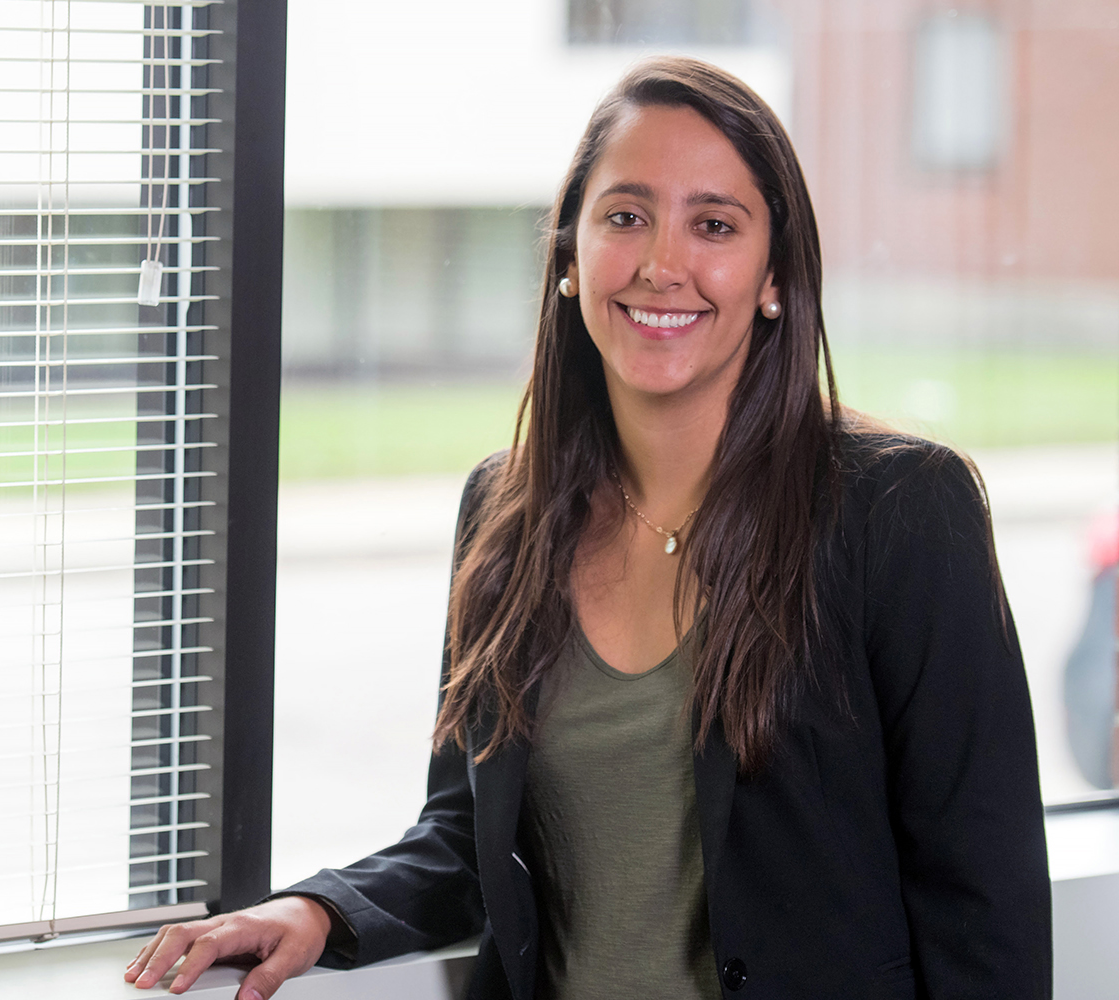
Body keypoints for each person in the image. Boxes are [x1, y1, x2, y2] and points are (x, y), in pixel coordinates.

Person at [124, 56, 1051, 1000]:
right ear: (570, 256)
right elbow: (469, 841)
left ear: (775, 277)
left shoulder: (901, 512)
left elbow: (986, 910)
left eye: (715, 225)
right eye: (626, 216)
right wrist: (318, 912)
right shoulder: (505, 515)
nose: (662, 263)